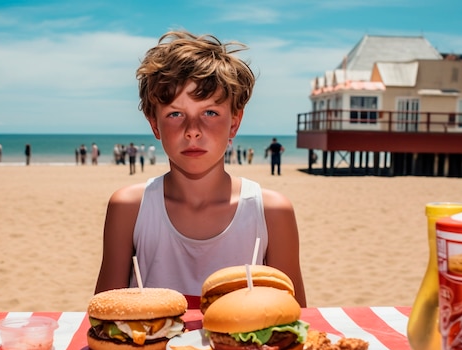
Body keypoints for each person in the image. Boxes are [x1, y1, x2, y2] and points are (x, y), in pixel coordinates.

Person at [94, 31, 306, 307]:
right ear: (154, 125)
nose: (192, 131)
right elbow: (103, 314)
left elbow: (296, 317)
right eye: (175, 114)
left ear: (234, 122)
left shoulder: (271, 211)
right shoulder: (130, 208)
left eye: (210, 113)